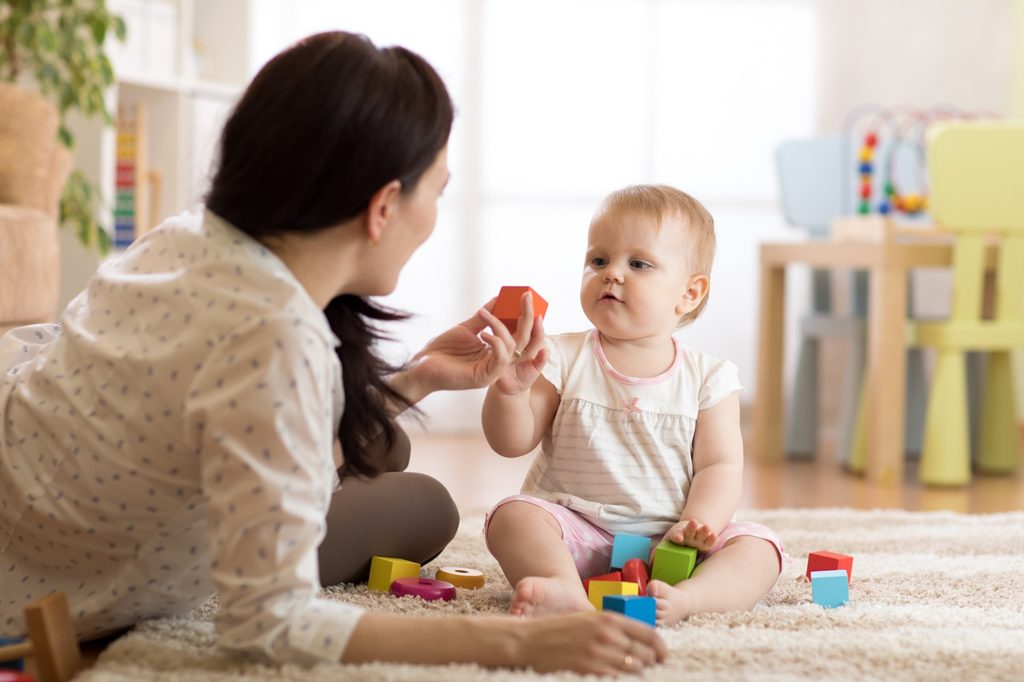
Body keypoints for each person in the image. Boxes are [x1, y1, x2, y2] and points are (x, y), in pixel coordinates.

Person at [0, 32, 666, 676]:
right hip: (45, 580)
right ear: (382, 208)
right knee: (422, 502)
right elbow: (268, 622)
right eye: (436, 189)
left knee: (386, 447)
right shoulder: (276, 341)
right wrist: (520, 645)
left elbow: (247, 408)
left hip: (32, 458)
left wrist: (424, 375)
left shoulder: (188, 237)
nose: (435, 213)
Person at [482, 185, 786, 625]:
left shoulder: (710, 377)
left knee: (761, 548)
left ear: (690, 293)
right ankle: (561, 584)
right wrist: (508, 390)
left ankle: (689, 599)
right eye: (598, 260)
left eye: (638, 263)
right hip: (578, 534)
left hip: (672, 541)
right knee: (513, 516)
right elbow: (511, 442)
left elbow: (720, 467)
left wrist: (697, 525)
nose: (612, 274)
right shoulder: (561, 356)